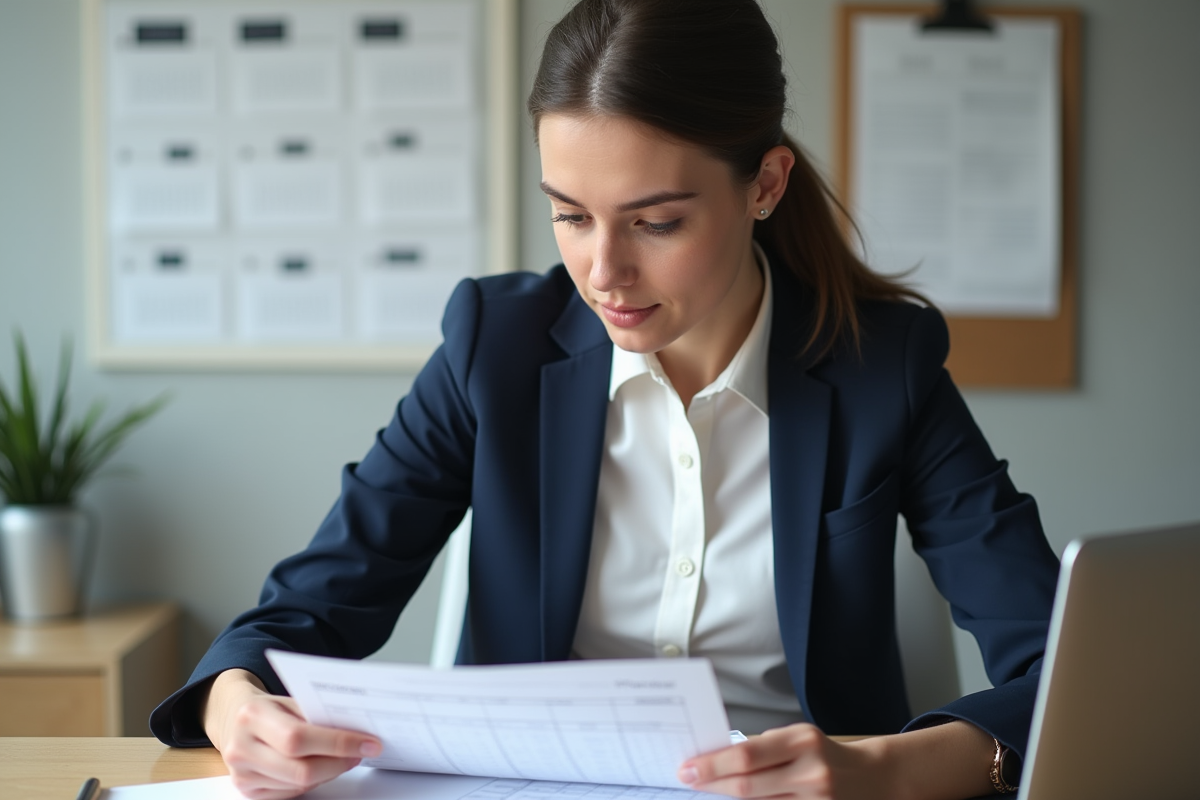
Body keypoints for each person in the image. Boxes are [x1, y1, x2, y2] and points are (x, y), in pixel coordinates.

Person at [150, 1, 1061, 798]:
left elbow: (1058, 668)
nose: (603, 272)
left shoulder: (881, 366)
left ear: (766, 186)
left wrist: (887, 772)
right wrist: (238, 708)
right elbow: (299, 615)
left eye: (656, 222)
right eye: (571, 215)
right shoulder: (492, 350)